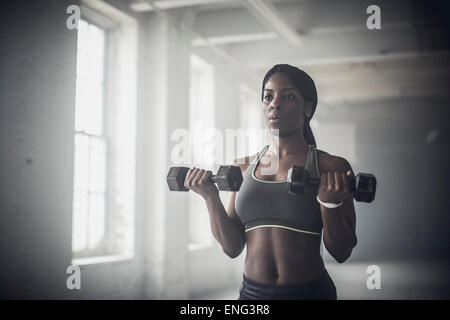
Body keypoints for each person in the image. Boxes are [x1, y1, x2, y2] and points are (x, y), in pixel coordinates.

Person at [184, 64, 357, 300]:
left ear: (307, 108)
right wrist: (210, 197)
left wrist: (330, 205)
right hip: (252, 296)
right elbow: (232, 247)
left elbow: (341, 252)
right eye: (268, 96)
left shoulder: (331, 167)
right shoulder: (241, 167)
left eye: (288, 96)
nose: (275, 103)